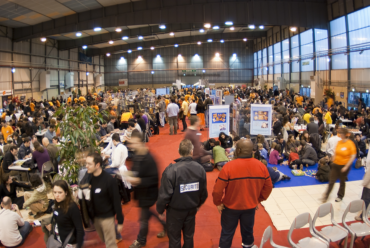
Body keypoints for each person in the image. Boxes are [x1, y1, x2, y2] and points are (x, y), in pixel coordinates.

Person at [212, 139, 273, 248]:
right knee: (248, 233)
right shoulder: (261, 166)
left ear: (238, 150)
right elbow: (268, 187)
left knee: (227, 233)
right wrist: (257, 200)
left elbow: (217, 190)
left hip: (230, 208)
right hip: (250, 207)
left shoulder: (228, 167)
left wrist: (218, 203)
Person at [157, 139, 208, 248]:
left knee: (175, 238)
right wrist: (198, 205)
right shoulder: (200, 169)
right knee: (189, 236)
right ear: (191, 151)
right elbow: (203, 193)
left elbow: (164, 195)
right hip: (191, 210)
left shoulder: (171, 170)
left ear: (178, 151)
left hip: (175, 212)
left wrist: (160, 210)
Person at [126, 131, 166, 248]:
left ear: (140, 142)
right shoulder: (137, 156)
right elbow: (136, 171)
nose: (131, 146)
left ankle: (141, 240)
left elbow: (154, 179)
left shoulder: (149, 159)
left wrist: (138, 181)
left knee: (144, 219)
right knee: (148, 214)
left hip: (148, 194)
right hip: (141, 193)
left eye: (133, 143)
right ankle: (165, 226)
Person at [85, 151, 124, 248]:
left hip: (107, 218)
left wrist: (120, 221)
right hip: (96, 218)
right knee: (104, 240)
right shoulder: (89, 177)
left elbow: (116, 200)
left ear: (97, 165)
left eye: (89, 164)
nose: (86, 166)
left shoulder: (109, 180)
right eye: (86, 163)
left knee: (110, 244)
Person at [45, 180, 85, 248]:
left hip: (69, 243)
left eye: (60, 192)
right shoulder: (57, 204)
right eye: (55, 192)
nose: (57, 195)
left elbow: (80, 230)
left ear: (66, 192)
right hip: (58, 240)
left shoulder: (72, 207)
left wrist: (79, 246)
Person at [323, 128, 357, 203]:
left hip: (344, 166)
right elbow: (335, 152)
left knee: (342, 181)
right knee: (331, 181)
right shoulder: (339, 142)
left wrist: (346, 166)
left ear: (345, 134)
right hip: (335, 164)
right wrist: (332, 159)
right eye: (340, 133)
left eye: (341, 133)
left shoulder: (350, 144)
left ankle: (340, 196)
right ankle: (326, 196)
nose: (340, 135)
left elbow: (353, 156)